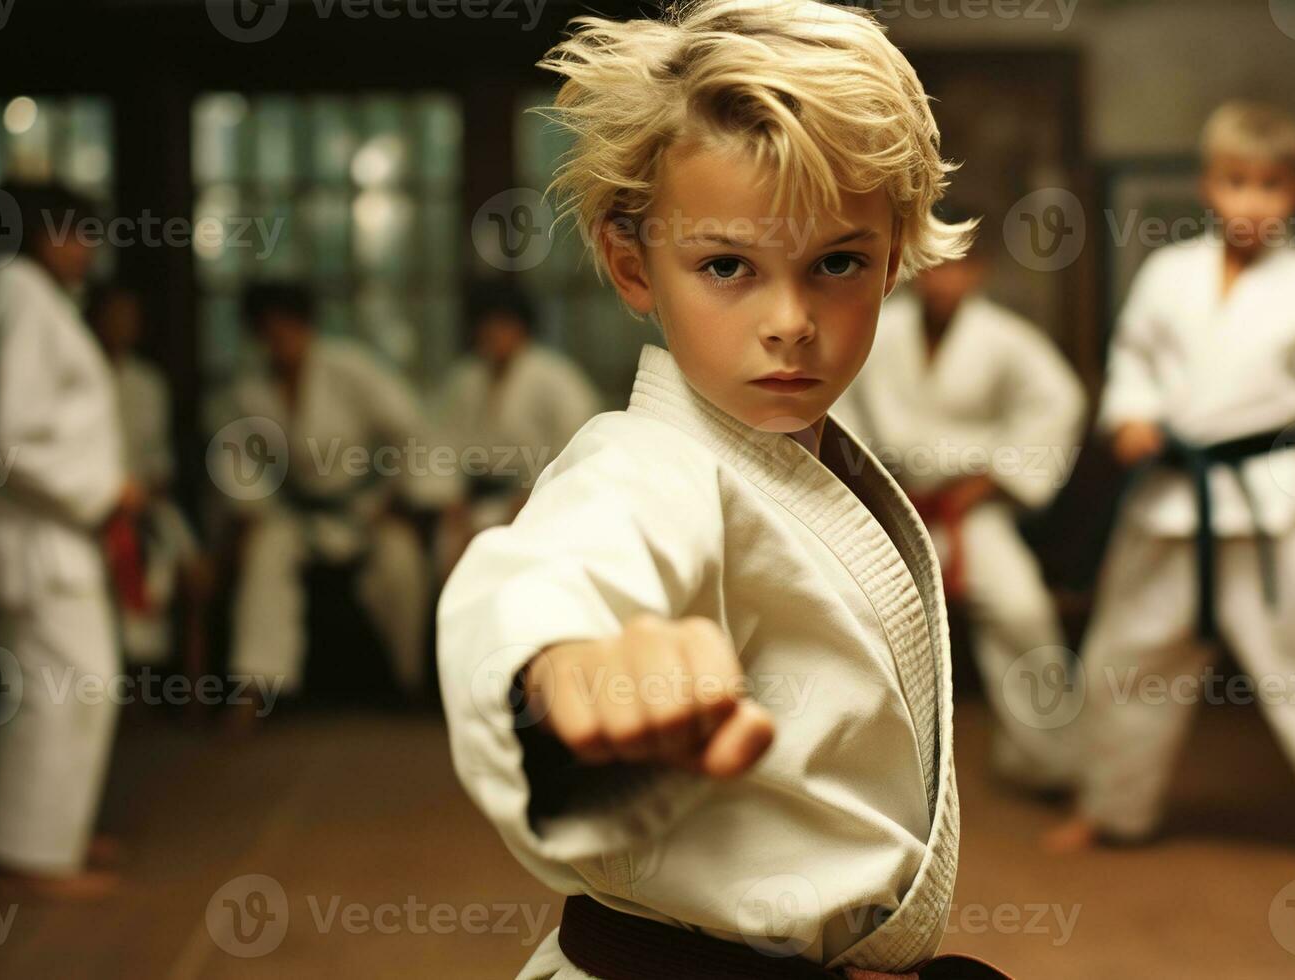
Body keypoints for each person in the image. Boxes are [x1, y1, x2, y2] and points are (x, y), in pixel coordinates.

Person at [438, 2, 1019, 978]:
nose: (790, 321)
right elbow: (545, 573)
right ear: (633, 263)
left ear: (895, 256)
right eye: (727, 266)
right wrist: (562, 669)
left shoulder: (814, 453)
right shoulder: (645, 464)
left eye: (837, 262)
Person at [1044, 101, 1295, 885]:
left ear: (1293, 192)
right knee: (1125, 656)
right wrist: (1129, 415)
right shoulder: (1168, 274)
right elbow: (1131, 361)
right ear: (1208, 185)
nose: (1251, 203)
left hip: (1280, 502)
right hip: (1175, 498)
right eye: (1235, 182)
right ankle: (1105, 803)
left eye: (1269, 185)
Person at [0, 181, 139, 898]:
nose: (88, 251)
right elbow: (6, 436)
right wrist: (103, 490)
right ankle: (27, 856)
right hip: (36, 527)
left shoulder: (12, 298)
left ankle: (53, 834)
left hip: (44, 524)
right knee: (63, 685)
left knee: (79, 682)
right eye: (80, 234)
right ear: (48, 235)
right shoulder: (16, 297)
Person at [832, 217, 1086, 791]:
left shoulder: (1006, 339)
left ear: (979, 272)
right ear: (913, 267)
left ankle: (1045, 758)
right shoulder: (875, 329)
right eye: (935, 265)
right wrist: (863, 481)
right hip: (889, 506)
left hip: (969, 511)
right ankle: (857, 771)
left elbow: (1058, 403)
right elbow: (837, 403)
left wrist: (994, 479)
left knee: (1021, 609)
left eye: (960, 266)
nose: (946, 280)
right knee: (853, 617)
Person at [216, 283, 458, 718]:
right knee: (265, 555)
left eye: (288, 327)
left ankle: (413, 683)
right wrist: (250, 509)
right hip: (296, 512)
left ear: (306, 326)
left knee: (400, 563)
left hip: (364, 508)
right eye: (269, 331)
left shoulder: (350, 369)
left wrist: (400, 500)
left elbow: (412, 432)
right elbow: (240, 461)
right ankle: (255, 688)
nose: (280, 340)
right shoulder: (250, 388)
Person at [434, 283, 602, 573]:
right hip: (475, 502)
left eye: (503, 325)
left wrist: (531, 497)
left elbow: (581, 437)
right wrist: (452, 499)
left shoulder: (554, 377)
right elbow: (444, 440)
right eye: (486, 326)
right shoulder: (466, 379)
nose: (493, 334)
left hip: (535, 503)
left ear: (522, 328)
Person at [86, 283, 207, 667]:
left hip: (146, 503)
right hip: (89, 503)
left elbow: (159, 462)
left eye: (130, 319)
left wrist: (145, 494)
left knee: (186, 567)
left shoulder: (149, 383)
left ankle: (170, 685)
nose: (123, 326)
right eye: (114, 317)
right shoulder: (78, 375)